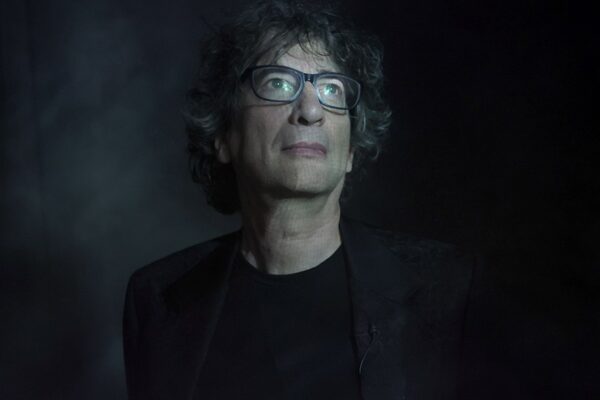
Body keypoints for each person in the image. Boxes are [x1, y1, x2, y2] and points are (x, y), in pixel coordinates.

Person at [122, 1, 475, 399]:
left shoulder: (445, 288)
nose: (310, 111)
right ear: (223, 134)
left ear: (351, 150)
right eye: (278, 83)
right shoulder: (156, 300)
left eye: (331, 89)